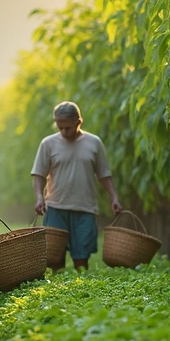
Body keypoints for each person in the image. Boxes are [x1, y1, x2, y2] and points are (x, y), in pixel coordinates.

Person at [32, 101, 122, 271]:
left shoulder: (94, 143)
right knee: (55, 257)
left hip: (85, 207)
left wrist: (114, 197)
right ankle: (58, 290)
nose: (64, 132)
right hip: (56, 206)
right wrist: (38, 197)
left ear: (78, 122)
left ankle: (81, 287)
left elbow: (103, 173)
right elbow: (39, 174)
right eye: (60, 128)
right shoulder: (48, 144)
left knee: (82, 256)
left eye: (68, 128)